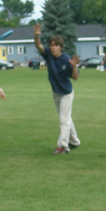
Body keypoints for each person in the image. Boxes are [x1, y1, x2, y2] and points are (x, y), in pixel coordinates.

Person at [33, 23, 81, 154]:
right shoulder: (48, 54)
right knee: (66, 118)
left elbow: (75, 77)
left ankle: (63, 146)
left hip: (66, 93)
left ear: (60, 47)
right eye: (51, 45)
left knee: (63, 119)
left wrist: (74, 66)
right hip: (56, 92)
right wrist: (36, 36)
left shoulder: (66, 59)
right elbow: (38, 45)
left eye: (56, 45)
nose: (53, 47)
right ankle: (74, 141)